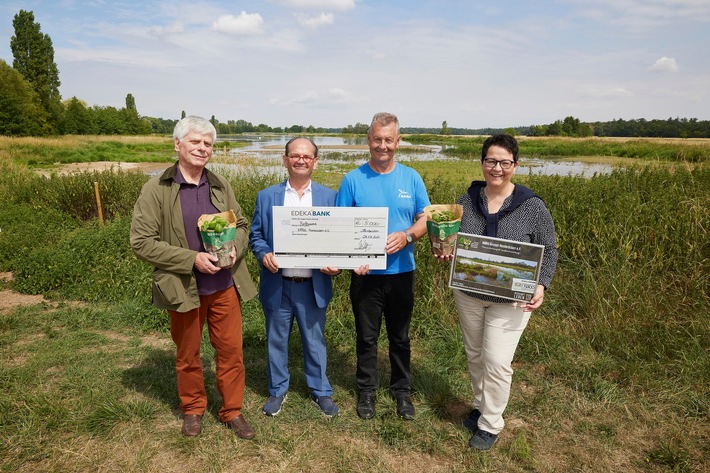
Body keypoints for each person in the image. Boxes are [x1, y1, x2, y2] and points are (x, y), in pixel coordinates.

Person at [130, 115, 258, 439]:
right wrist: (192, 259)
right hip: (183, 288)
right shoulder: (156, 189)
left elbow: (241, 225)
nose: (203, 148)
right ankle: (193, 409)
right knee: (188, 354)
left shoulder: (219, 184)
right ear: (177, 145)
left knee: (231, 351)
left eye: (208, 144)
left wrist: (234, 251)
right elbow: (141, 242)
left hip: (224, 287)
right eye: (195, 142)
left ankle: (232, 410)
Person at [437, 134, 558, 450]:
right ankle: (481, 407)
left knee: (496, 360)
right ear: (482, 163)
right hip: (469, 294)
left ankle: (491, 424)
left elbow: (550, 248)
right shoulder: (467, 200)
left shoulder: (532, 206)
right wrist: (447, 249)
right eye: (491, 161)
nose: (497, 168)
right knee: (475, 354)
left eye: (505, 162)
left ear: (515, 166)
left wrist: (541, 284)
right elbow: (453, 238)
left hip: (512, 299)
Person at [336, 112, 431, 420]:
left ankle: (401, 391)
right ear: (368, 140)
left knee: (400, 337)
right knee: (366, 337)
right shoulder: (352, 179)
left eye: (389, 140)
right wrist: (352, 259)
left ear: (398, 141)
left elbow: (425, 218)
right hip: (366, 277)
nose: (383, 146)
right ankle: (367, 391)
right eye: (377, 139)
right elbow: (342, 226)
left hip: (402, 272)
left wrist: (407, 236)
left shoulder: (411, 177)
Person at [249, 137, 341, 418]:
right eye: (295, 155)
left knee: (315, 340)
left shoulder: (330, 197)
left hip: (313, 284)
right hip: (279, 283)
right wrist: (264, 254)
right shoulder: (267, 196)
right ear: (285, 159)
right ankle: (277, 390)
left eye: (307, 156)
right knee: (276, 339)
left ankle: (320, 391)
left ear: (315, 161)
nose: (301, 160)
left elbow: (339, 238)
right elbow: (256, 235)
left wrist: (335, 264)